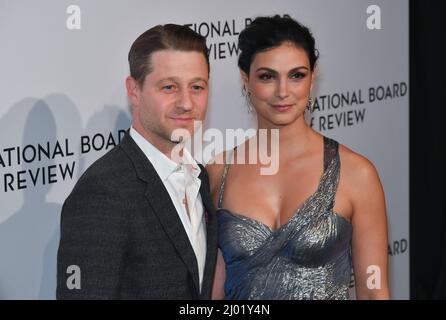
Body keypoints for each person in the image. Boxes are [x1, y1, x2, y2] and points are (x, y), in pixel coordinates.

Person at [207, 15, 390, 300]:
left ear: (312, 77)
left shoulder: (357, 174)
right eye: (267, 76)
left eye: (296, 75)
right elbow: (214, 293)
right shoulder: (219, 172)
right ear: (246, 80)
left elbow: (374, 292)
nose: (283, 92)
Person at [57, 24, 217, 299]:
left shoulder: (200, 177)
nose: (187, 103)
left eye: (197, 87)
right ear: (134, 90)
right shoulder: (103, 191)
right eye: (169, 87)